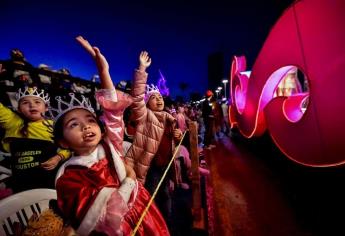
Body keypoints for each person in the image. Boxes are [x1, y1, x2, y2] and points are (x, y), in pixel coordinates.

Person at [53, 36, 169, 236]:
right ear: (63, 141)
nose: (85, 127)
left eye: (90, 120)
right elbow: (98, 217)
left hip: (142, 211)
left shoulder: (110, 145)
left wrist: (103, 70)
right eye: (74, 124)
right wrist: (129, 182)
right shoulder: (68, 177)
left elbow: (112, 113)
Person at [124, 51, 183, 232]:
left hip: (165, 165)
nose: (158, 100)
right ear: (146, 104)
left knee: (164, 194)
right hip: (148, 166)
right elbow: (136, 97)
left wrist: (177, 135)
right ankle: (151, 226)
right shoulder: (144, 115)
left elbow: (170, 140)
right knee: (150, 197)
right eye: (153, 98)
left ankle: (165, 223)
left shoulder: (169, 118)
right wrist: (142, 68)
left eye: (159, 97)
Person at [0, 86, 70, 193]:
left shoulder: (55, 126)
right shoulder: (14, 123)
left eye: (37, 102)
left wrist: (58, 157)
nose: (32, 105)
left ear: (46, 107)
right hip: (20, 185)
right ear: (19, 109)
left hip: (48, 182)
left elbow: (70, 147)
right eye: (25, 103)